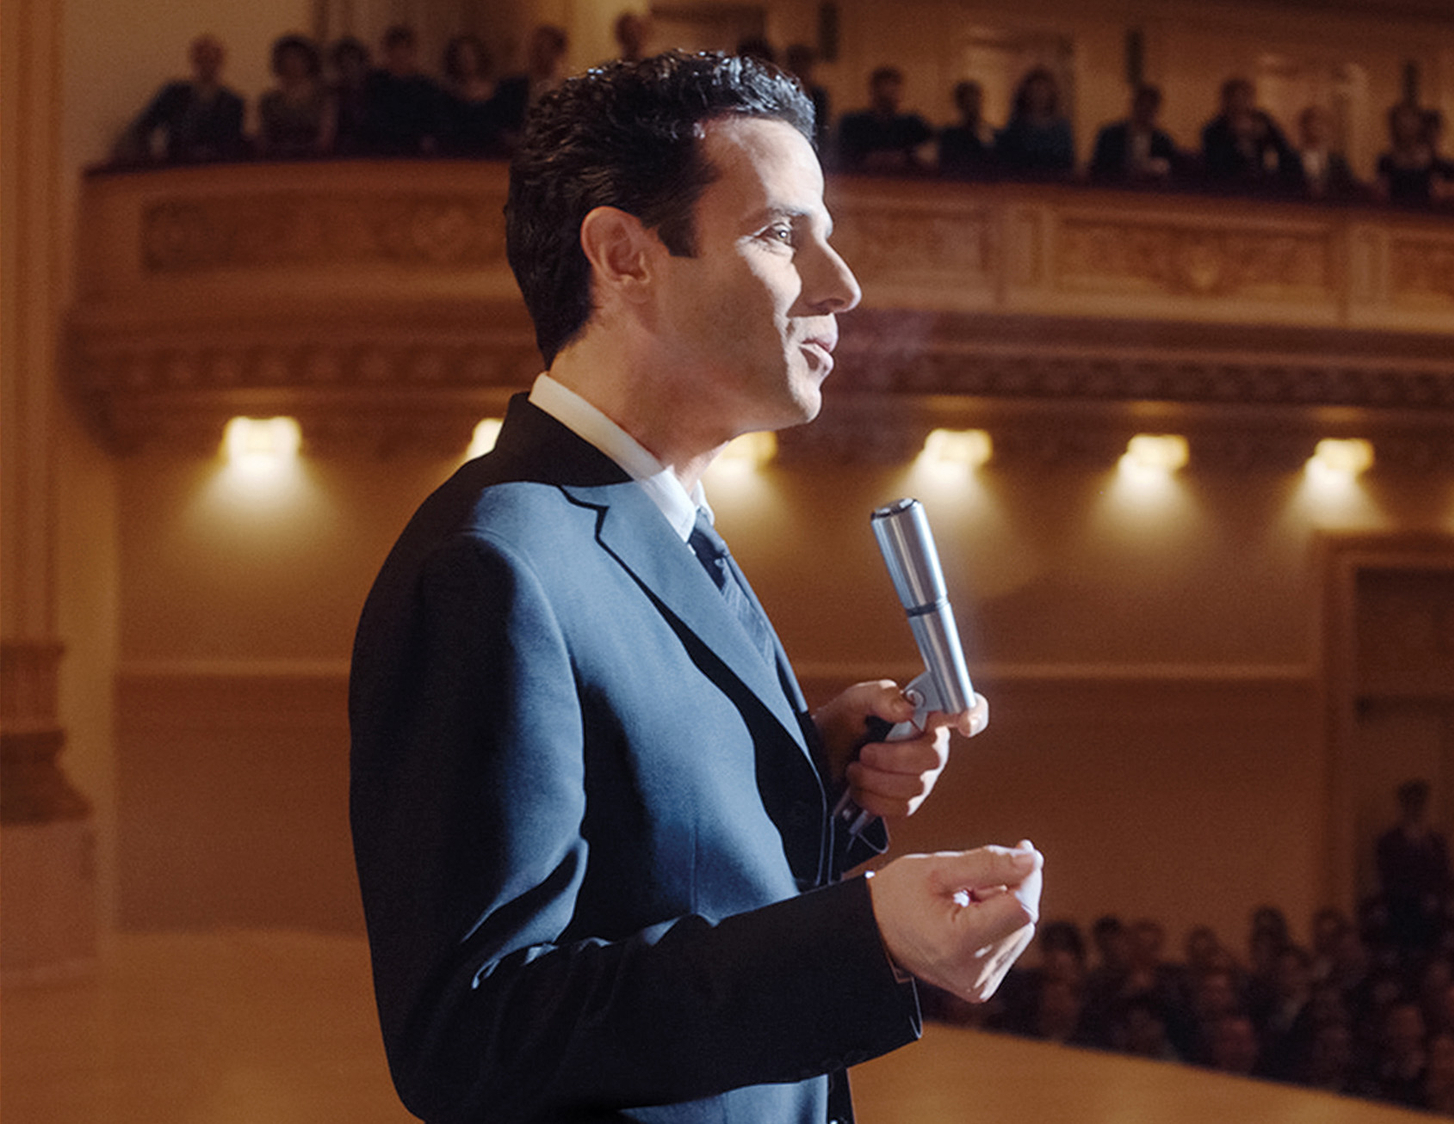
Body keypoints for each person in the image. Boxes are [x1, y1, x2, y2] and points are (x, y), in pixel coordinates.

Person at [349, 52, 1043, 1123]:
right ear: (623, 255)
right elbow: (470, 1033)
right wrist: (867, 936)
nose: (840, 282)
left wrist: (820, 769)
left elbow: (658, 871)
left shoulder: (658, 519)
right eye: (779, 233)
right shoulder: (487, 568)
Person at [116, 34, 247, 163]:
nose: (208, 65)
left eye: (212, 60)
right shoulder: (174, 94)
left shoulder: (234, 102)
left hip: (217, 169)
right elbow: (144, 126)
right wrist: (147, 162)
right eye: (203, 59)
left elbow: (233, 142)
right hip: (176, 166)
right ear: (194, 61)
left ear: (220, 62)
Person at [1375, 779, 1454, 951]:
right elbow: (1386, 876)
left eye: (1419, 803)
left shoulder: (1435, 841)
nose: (1415, 807)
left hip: (1432, 914)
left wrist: (1437, 897)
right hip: (1401, 911)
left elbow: (1445, 873)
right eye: (1410, 802)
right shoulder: (1389, 841)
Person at [359, 25, 446, 155]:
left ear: (413, 51)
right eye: (395, 48)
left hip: (417, 152)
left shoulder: (426, 86)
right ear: (387, 51)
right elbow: (370, 118)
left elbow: (435, 120)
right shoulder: (374, 82)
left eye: (405, 48)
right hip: (380, 151)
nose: (400, 53)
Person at [1200, 78, 1293, 190]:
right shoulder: (1214, 130)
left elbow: (1284, 151)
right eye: (1235, 98)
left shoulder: (1264, 122)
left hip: (1263, 187)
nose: (1240, 104)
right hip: (1226, 188)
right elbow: (1215, 165)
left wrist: (1264, 136)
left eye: (1245, 97)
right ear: (1226, 101)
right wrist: (1235, 137)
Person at [835, 66, 932, 172]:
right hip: (860, 179)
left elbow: (928, 153)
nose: (888, 95)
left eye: (892, 91)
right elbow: (842, 155)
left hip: (905, 182)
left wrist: (904, 157)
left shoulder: (913, 125)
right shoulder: (853, 124)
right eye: (883, 90)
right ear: (873, 91)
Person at [256, 34, 335, 158]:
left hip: (315, 162)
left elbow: (325, 138)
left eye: (298, 57)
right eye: (287, 58)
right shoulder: (269, 100)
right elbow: (263, 138)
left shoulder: (323, 98)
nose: (293, 63)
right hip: (275, 162)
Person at [1088, 84, 1178, 185]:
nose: (1144, 112)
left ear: (1156, 110)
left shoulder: (1163, 141)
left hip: (1151, 193)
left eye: (1149, 108)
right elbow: (1097, 169)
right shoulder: (1110, 136)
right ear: (1133, 105)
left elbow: (1173, 173)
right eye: (1141, 106)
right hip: (1114, 189)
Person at [993, 67, 1075, 179]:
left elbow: (1067, 162)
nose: (1039, 96)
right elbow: (1006, 163)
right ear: (1026, 94)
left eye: (1043, 91)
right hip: (1020, 186)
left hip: (1055, 187)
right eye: (1034, 91)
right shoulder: (1015, 129)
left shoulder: (1061, 128)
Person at [1375, 102, 1454, 207]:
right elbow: (1381, 194)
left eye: (1411, 121)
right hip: (1395, 215)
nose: (1406, 127)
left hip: (1432, 217)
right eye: (1401, 123)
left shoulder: (1443, 165)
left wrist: (1448, 191)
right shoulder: (1386, 162)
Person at [438, 34, 508, 155]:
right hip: (455, 156)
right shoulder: (446, 94)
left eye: (470, 54)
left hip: (492, 155)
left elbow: (500, 128)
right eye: (461, 55)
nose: (466, 60)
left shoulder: (498, 91)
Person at [935, 80, 994, 177]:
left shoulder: (989, 132)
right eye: (968, 101)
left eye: (975, 100)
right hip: (957, 183)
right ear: (960, 104)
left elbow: (993, 164)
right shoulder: (950, 135)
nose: (972, 106)